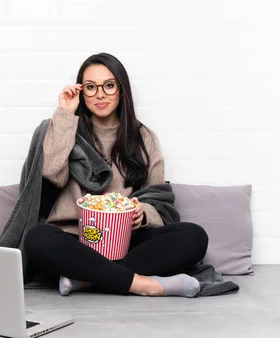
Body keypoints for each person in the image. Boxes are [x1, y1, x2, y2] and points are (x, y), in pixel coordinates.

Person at [23, 53, 209, 298]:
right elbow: (51, 174)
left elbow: (158, 198)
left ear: (121, 90)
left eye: (109, 85)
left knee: (194, 236)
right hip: (76, 241)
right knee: (38, 240)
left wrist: (143, 213)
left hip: (126, 242)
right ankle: (143, 284)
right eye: (90, 87)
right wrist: (66, 115)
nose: (100, 94)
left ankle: (85, 280)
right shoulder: (63, 127)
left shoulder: (144, 138)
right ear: (82, 92)